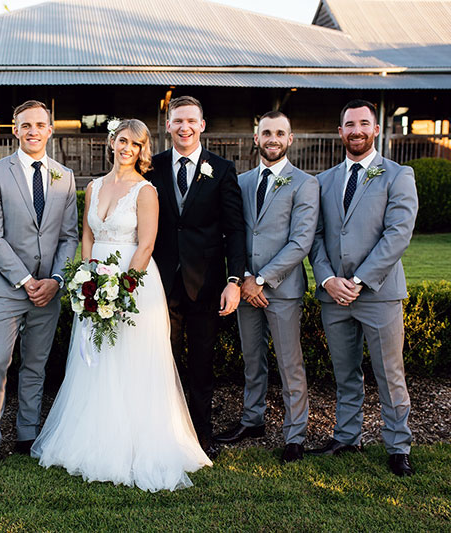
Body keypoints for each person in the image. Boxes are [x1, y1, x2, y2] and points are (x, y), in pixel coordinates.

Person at [31, 119, 211, 491]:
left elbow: (146, 244)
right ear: (112, 142)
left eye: (136, 143)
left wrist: (124, 288)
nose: (127, 148)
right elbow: (86, 233)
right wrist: (86, 279)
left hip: (134, 285)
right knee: (97, 364)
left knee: (131, 361)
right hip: (95, 283)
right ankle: (92, 438)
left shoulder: (146, 190)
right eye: (122, 141)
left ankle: (135, 444)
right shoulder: (95, 186)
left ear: (142, 149)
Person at [308, 99, 418, 477]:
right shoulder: (323, 181)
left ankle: (398, 445)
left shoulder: (398, 174)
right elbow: (316, 236)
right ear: (340, 131)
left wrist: (357, 281)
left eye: (363, 124)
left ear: (375, 129)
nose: (356, 130)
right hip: (333, 295)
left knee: (390, 374)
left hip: (379, 293)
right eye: (349, 124)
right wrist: (327, 279)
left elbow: (398, 234)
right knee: (345, 372)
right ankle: (347, 436)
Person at [0, 100, 79, 473]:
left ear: (51, 130)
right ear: (14, 130)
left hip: (48, 290)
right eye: (25, 125)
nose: (33, 131)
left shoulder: (64, 176)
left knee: (35, 365)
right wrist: (25, 279)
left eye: (40, 124)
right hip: (7, 288)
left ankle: (26, 434)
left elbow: (69, 237)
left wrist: (56, 280)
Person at [146, 96, 246, 454]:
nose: (184, 127)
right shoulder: (151, 167)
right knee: (163, 361)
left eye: (191, 120)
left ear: (202, 125)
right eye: (177, 121)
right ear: (168, 126)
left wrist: (234, 281)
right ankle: (165, 432)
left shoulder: (221, 168)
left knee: (202, 365)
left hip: (207, 284)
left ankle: (201, 435)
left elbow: (235, 230)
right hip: (160, 284)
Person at [217, 111, 318, 464]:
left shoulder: (305, 183)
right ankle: (252, 419)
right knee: (252, 358)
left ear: (290, 139)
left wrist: (260, 279)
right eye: (266, 132)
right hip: (245, 288)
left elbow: (301, 241)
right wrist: (244, 278)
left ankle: (295, 434)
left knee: (290, 363)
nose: (272, 138)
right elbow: (235, 233)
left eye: (280, 133)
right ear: (256, 138)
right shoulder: (241, 181)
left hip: (282, 288)